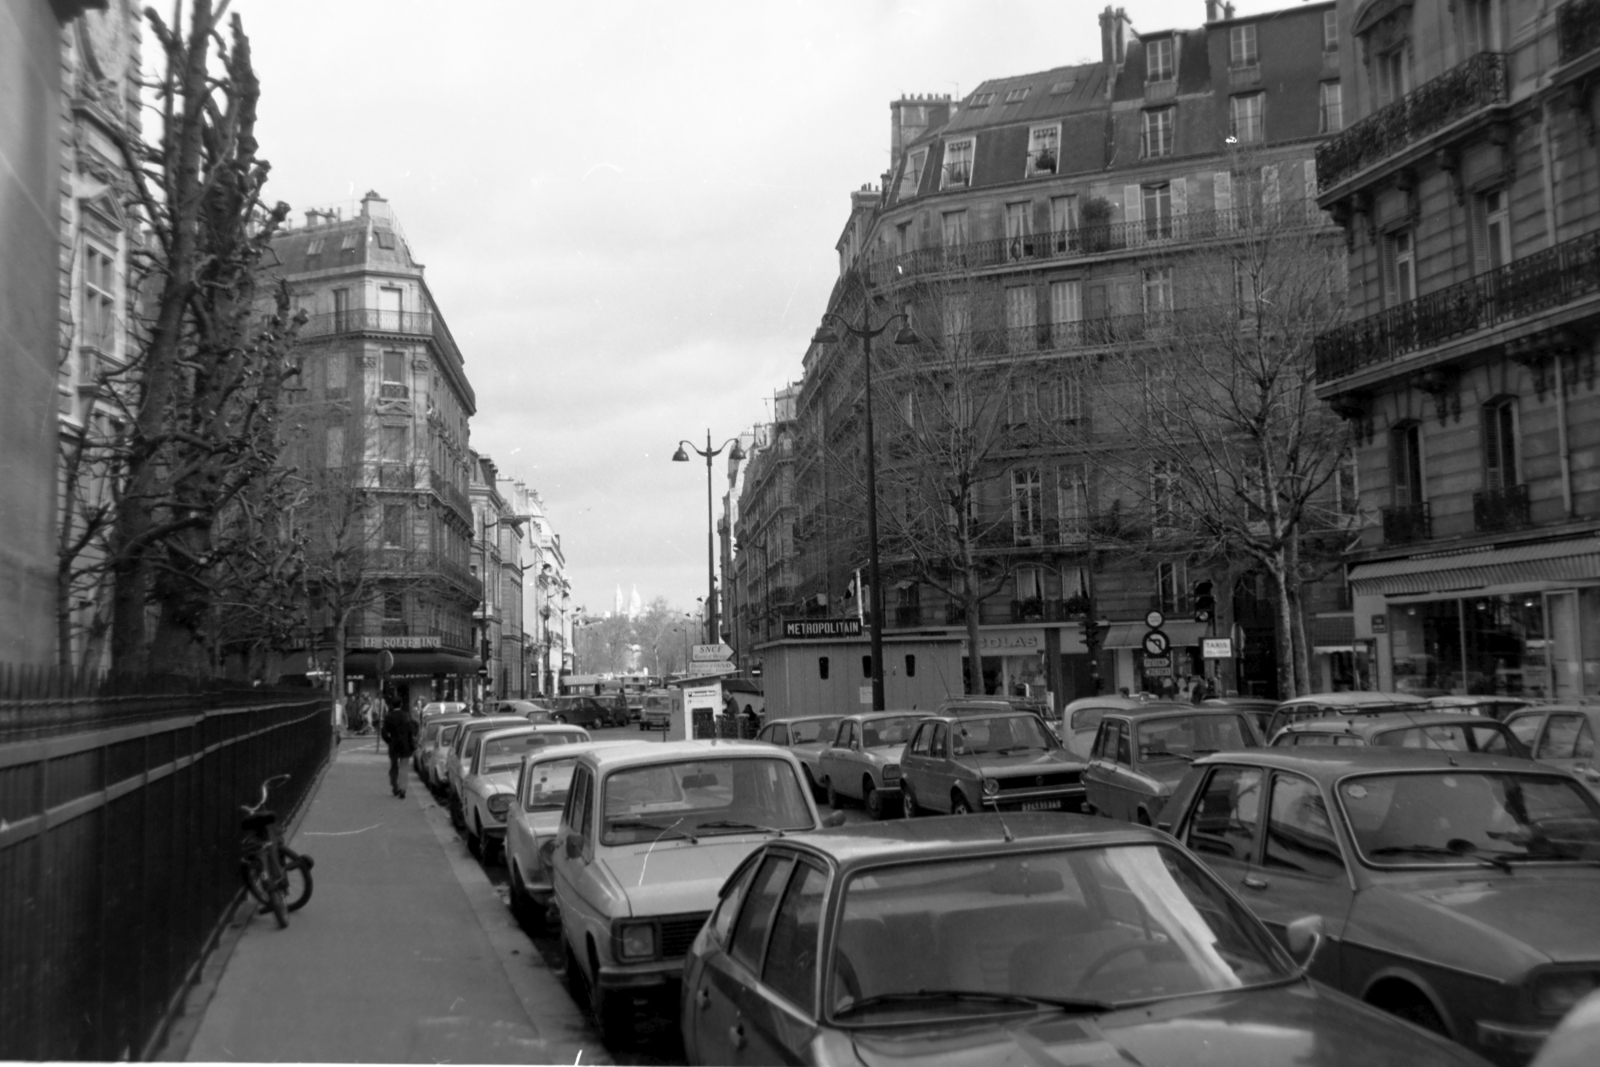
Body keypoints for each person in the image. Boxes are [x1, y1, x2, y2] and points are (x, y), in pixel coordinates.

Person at [381, 694, 419, 798]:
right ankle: (403, 788)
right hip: (405, 745)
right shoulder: (405, 715)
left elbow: (383, 732)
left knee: (394, 767)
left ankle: (394, 786)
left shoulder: (388, 717)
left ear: (392, 705)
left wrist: (389, 741)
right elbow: (410, 731)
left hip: (393, 746)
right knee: (404, 767)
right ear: (401, 704)